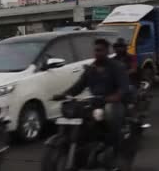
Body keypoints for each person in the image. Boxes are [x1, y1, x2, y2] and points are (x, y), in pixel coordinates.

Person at [53, 39, 129, 170]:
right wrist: (63, 94)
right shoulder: (91, 69)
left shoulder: (117, 67)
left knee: (111, 117)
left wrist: (115, 96)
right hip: (95, 103)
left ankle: (115, 157)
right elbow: (78, 87)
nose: (97, 53)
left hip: (113, 103)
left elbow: (123, 88)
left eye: (100, 50)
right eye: (95, 50)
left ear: (107, 51)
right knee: (81, 117)